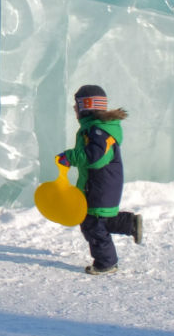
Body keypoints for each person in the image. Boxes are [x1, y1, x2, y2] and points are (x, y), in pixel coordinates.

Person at [58, 83, 143, 275]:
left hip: (100, 186)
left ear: (85, 107)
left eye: (76, 105)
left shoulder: (97, 130)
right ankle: (129, 223)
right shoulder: (97, 128)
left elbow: (95, 157)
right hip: (102, 184)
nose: (74, 109)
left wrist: (70, 157)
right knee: (99, 219)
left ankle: (106, 263)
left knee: (92, 224)